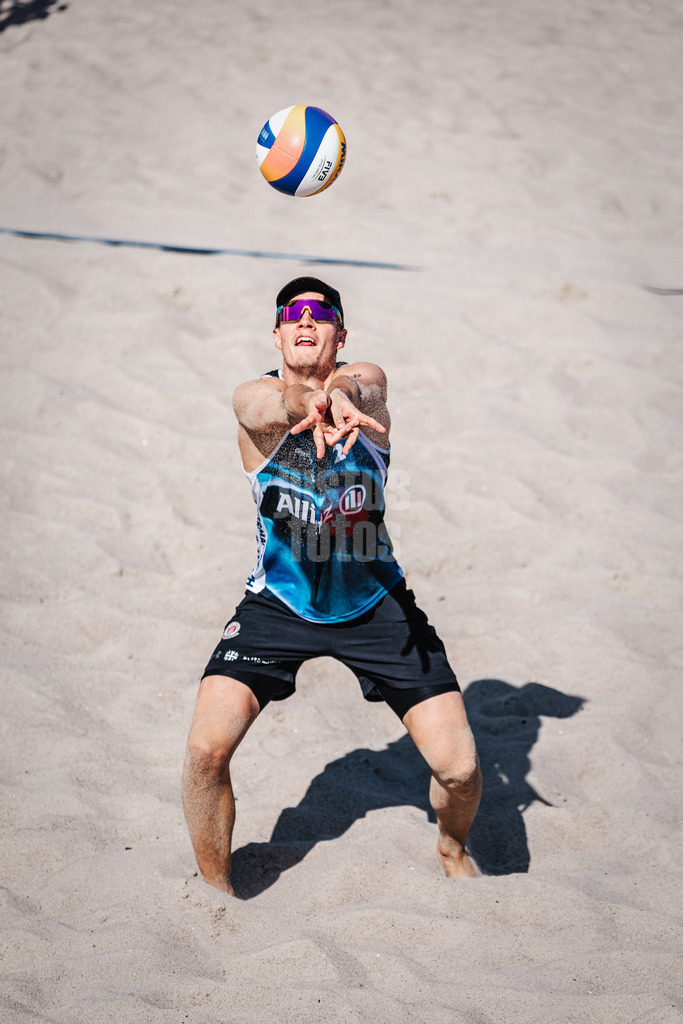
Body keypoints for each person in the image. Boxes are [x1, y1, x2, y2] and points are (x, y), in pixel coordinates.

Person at [181, 277, 482, 894]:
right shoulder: (257, 402)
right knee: (206, 752)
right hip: (278, 603)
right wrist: (308, 406)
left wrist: (340, 398)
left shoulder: (366, 397)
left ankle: (452, 847)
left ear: (339, 335)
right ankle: (216, 892)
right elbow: (263, 406)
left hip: (375, 602)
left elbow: (365, 382)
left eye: (321, 315)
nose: (305, 321)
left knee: (460, 770)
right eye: (292, 313)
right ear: (276, 334)